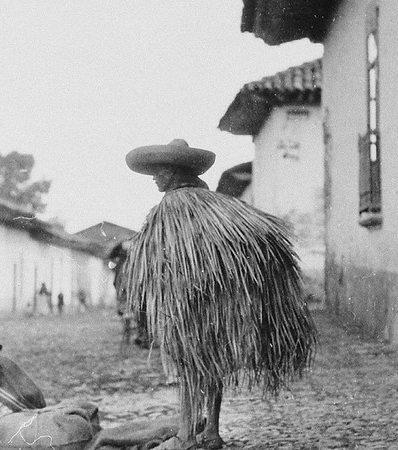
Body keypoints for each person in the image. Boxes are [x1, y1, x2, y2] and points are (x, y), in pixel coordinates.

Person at [122, 139, 317, 449]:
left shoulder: (171, 209)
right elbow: (261, 241)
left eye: (160, 172)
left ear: (174, 172)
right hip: (219, 303)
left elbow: (156, 260)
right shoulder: (222, 207)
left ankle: (187, 434)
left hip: (186, 306)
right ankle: (211, 431)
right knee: (213, 365)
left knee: (189, 366)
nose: (156, 179)